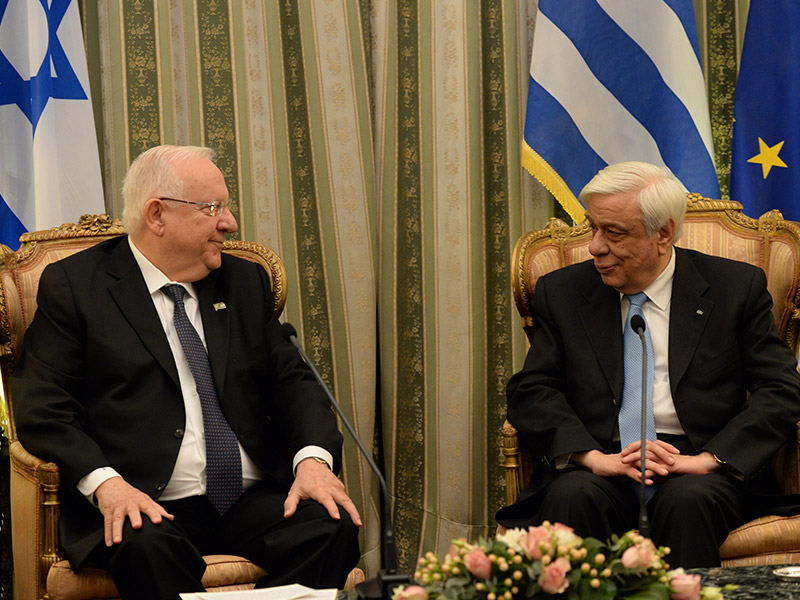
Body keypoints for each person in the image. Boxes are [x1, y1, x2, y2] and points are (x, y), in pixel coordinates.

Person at [11, 145, 361, 600]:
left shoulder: (244, 282)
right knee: (145, 546)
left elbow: (294, 382)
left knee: (332, 527)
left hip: (246, 498)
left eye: (226, 207)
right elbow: (44, 406)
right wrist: (108, 486)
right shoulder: (78, 287)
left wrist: (312, 460)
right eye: (213, 208)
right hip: (142, 499)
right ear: (157, 215)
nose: (230, 223)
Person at [495, 161, 800, 567]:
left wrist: (708, 460)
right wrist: (590, 457)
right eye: (593, 228)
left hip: (700, 464)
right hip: (601, 458)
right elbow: (531, 390)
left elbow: (780, 389)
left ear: (664, 233)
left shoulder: (734, 288)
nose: (595, 247)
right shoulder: (565, 292)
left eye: (614, 233)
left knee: (687, 501)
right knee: (571, 496)